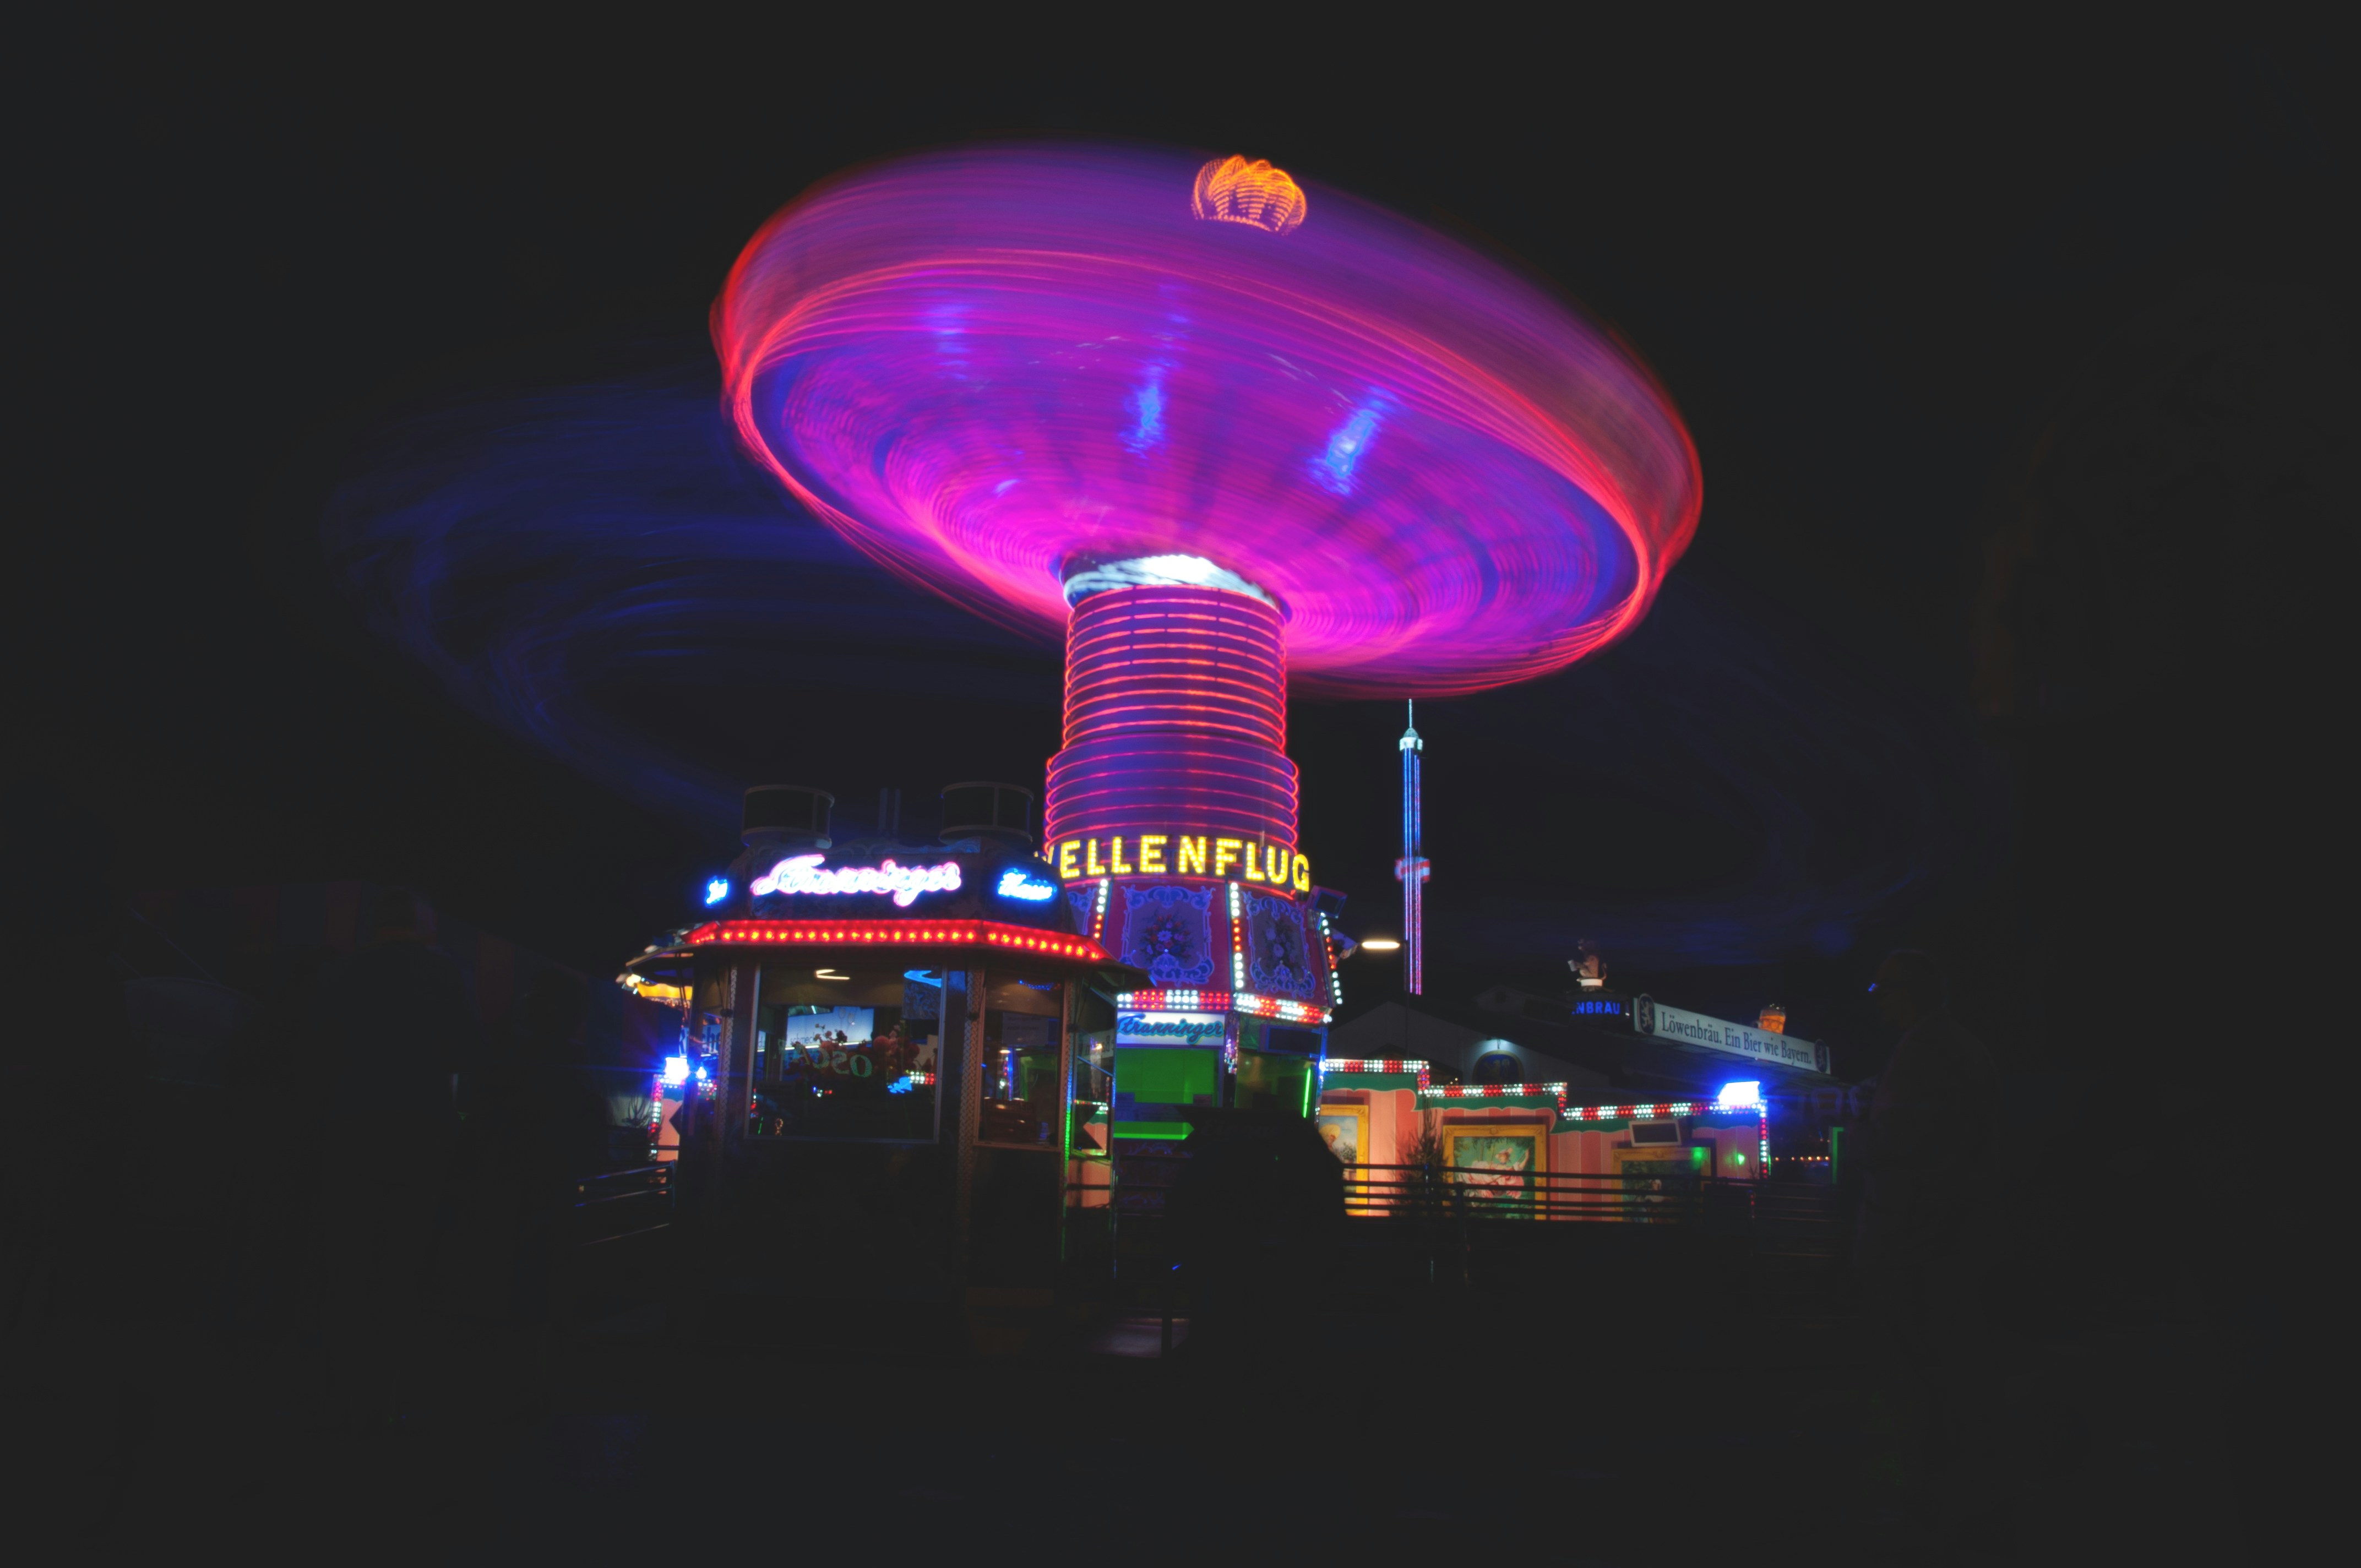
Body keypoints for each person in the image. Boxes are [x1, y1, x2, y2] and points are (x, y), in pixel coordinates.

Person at [312, 886, 476, 1431]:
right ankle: (390, 1380)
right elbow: (462, 1054)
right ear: (425, 923)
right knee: (404, 1250)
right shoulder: (443, 976)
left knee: (349, 1248)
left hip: (349, 1122)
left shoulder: (343, 974)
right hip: (419, 1127)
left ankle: (338, 1377)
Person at [1854, 949, 1999, 1536]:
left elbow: (1894, 1145)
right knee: (1949, 1365)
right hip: (1953, 1234)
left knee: (1912, 1371)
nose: (1881, 1004)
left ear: (1907, 994)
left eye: (1886, 992)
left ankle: (1924, 1501)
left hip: (1911, 1238)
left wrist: (1861, 1118)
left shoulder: (1921, 1052)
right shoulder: (1963, 1048)